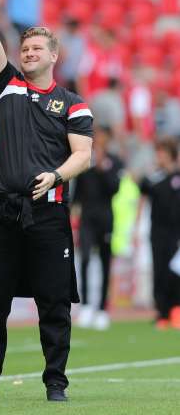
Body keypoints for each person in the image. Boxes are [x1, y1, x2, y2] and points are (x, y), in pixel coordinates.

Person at [0, 0, 93, 403]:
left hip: (48, 214)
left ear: (54, 56)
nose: (28, 53)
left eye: (37, 49)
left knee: (54, 305)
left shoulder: (73, 104)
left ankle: (55, 384)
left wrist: (55, 175)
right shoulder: (8, 87)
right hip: (1, 211)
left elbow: (84, 156)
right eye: (25, 48)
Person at [72, 126, 123, 330]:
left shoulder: (114, 161)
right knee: (83, 259)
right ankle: (85, 306)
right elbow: (77, 192)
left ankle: (102, 309)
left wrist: (103, 167)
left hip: (105, 219)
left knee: (104, 263)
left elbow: (115, 188)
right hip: (86, 220)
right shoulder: (85, 159)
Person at [138, 137, 180, 330]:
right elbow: (142, 192)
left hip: (176, 232)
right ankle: (162, 312)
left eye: (162, 153)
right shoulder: (155, 178)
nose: (159, 156)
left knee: (175, 272)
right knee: (159, 270)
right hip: (158, 232)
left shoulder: (177, 176)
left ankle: (175, 310)